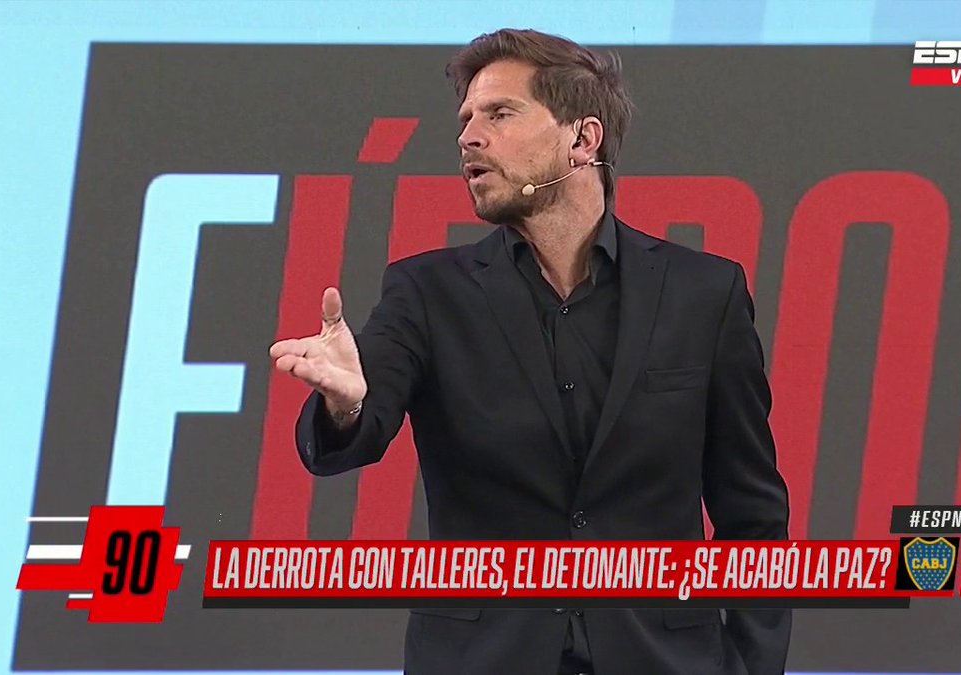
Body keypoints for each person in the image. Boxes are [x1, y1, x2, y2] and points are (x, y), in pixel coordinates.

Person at [270, 28, 791, 675]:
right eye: (466, 119)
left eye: (500, 114)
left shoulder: (704, 293)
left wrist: (751, 666)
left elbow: (752, 514)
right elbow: (358, 430)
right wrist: (346, 405)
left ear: (582, 139)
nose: (468, 137)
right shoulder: (426, 292)